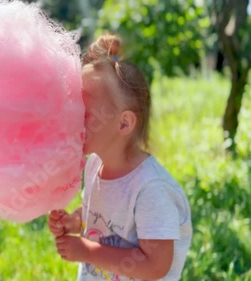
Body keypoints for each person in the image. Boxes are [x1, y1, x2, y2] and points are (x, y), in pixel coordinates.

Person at [48, 34, 192, 281]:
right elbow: (99, 211)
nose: (72, 119)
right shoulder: (94, 165)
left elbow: (156, 266)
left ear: (124, 123)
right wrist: (74, 221)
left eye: (84, 112)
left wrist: (87, 251)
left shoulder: (151, 190)